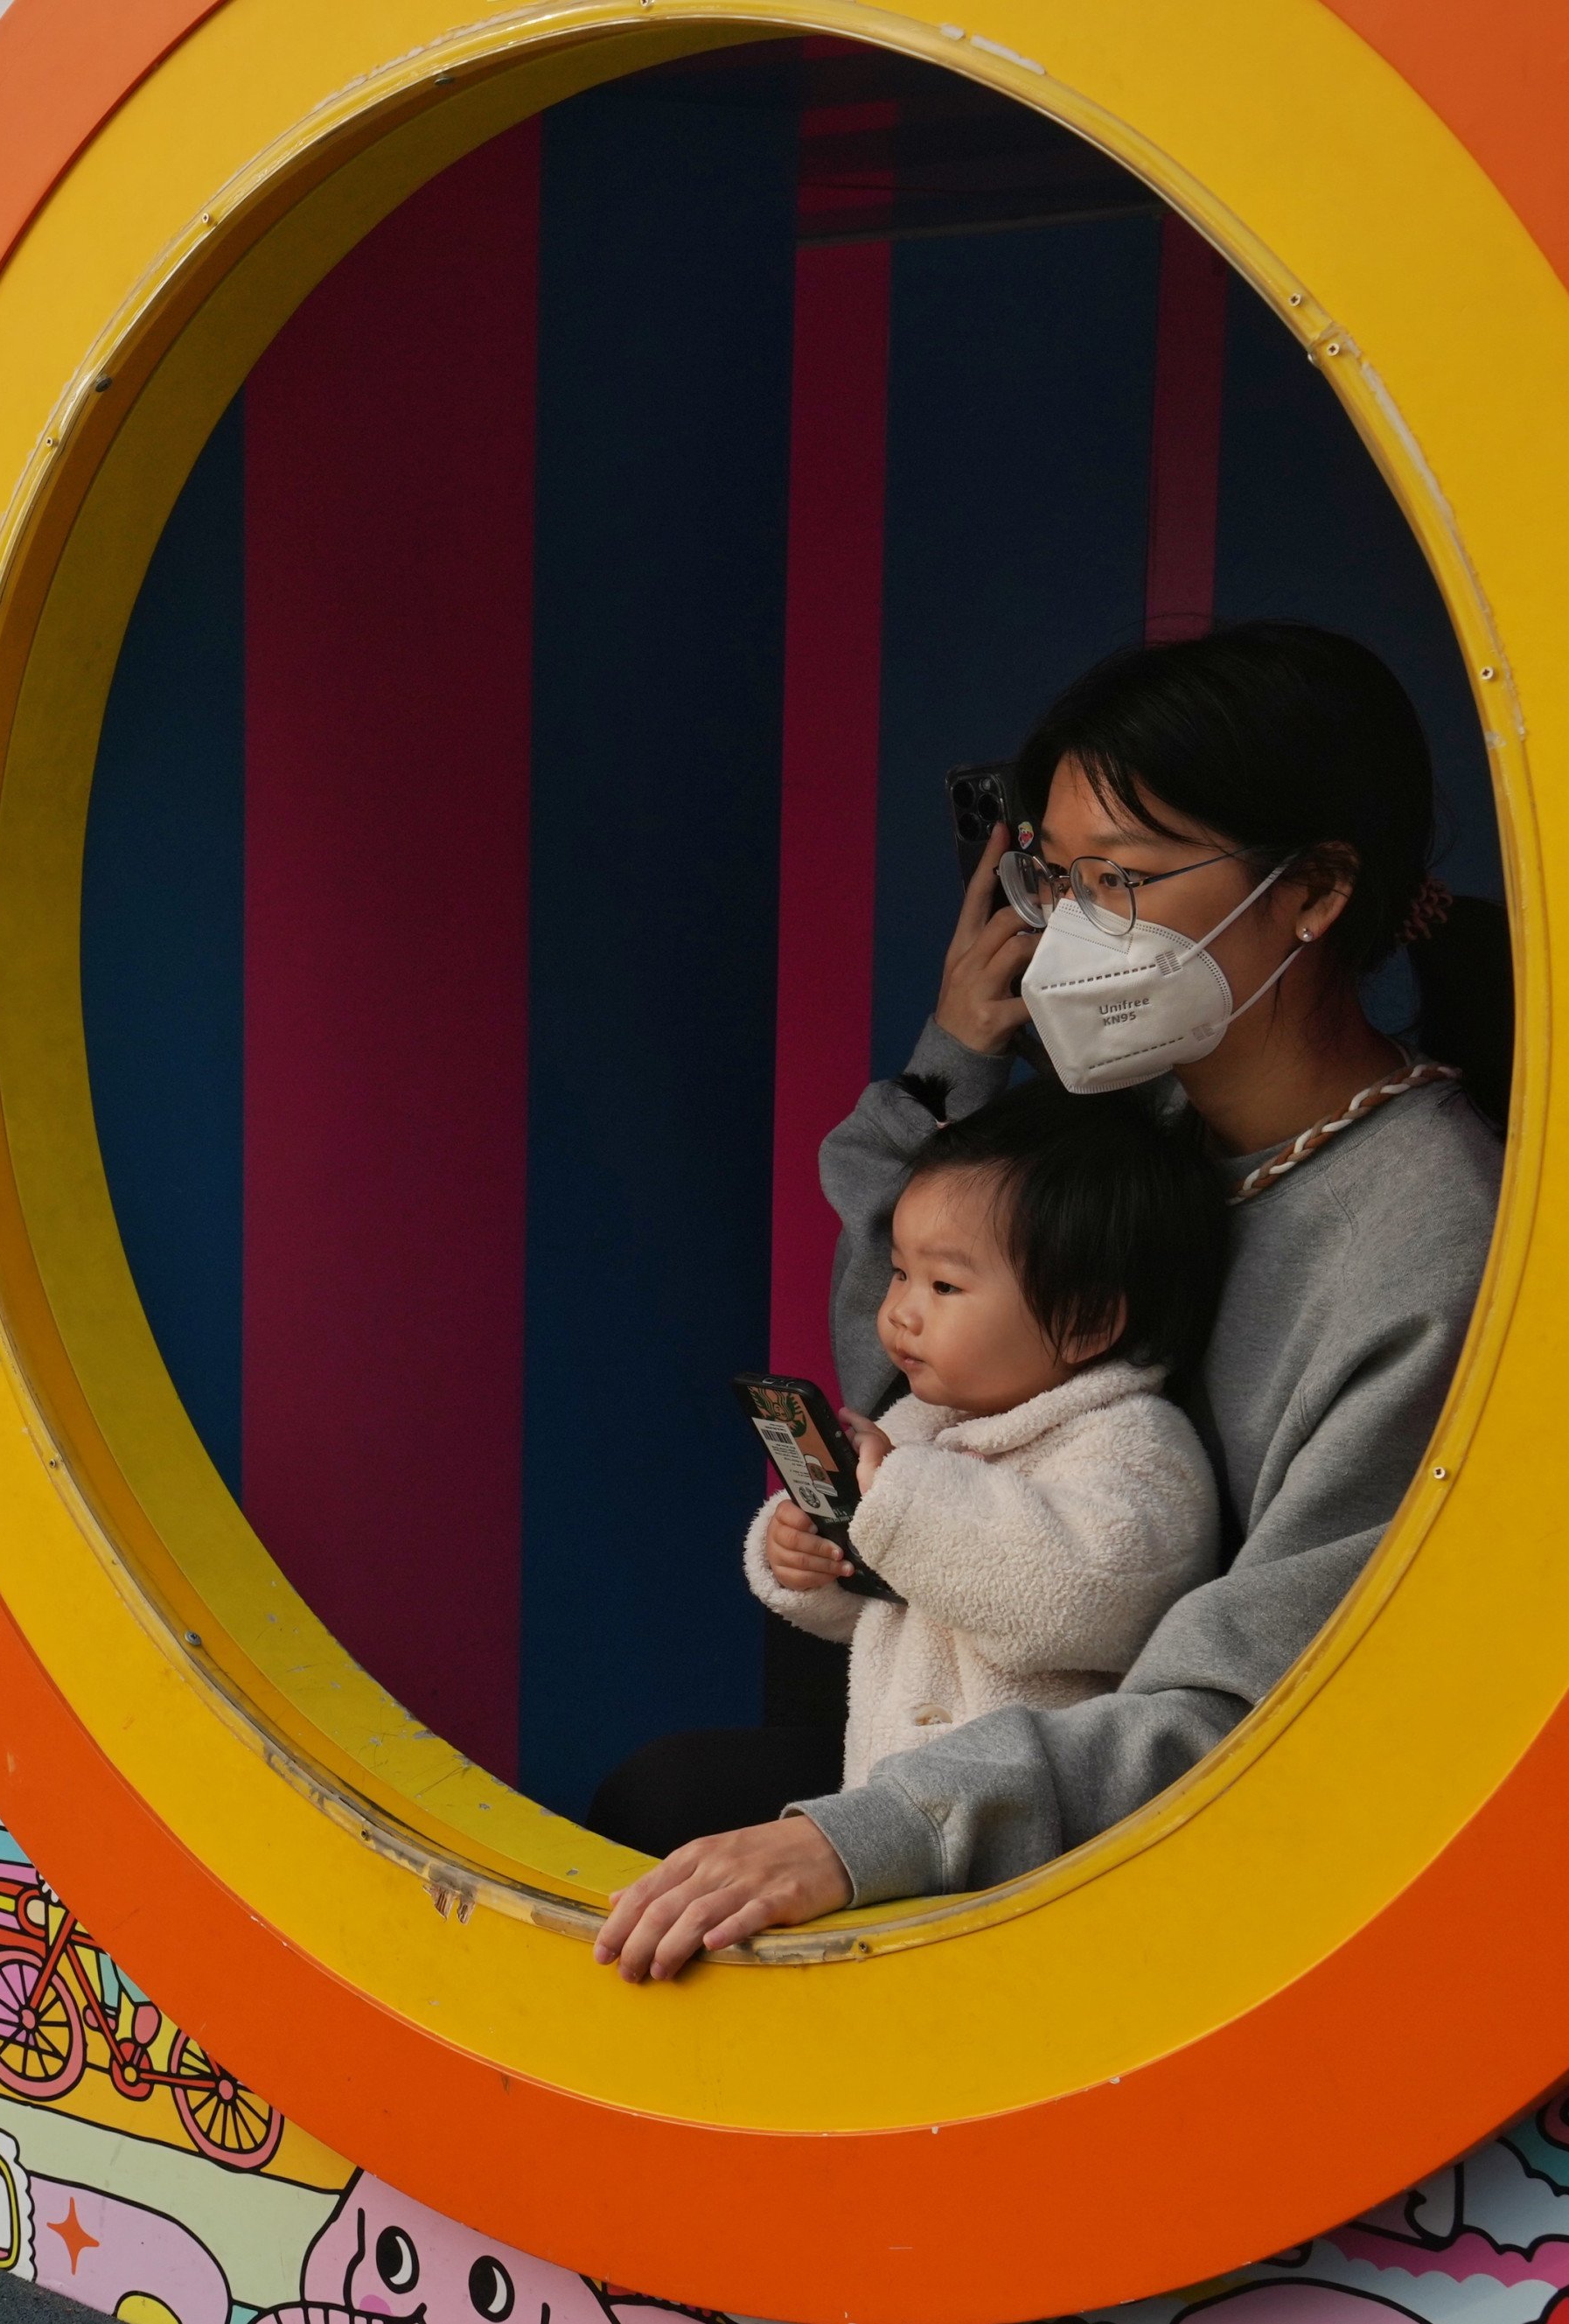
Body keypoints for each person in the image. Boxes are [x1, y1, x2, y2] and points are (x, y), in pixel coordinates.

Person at [598, 621, 1507, 1980]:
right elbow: (916, 1378)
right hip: (981, 1734)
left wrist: (868, 1836)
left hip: (1192, 1873)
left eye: (1124, 882)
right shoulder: (1136, 1107)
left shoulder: (1424, 1245)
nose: (1071, 935)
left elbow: (1240, 1716)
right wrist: (956, 1058)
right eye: (1054, 879)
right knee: (663, 1800)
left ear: (1314, 890)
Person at [738, 1081, 1227, 1809]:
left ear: (1086, 1321)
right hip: (896, 1808)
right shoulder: (918, 1424)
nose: (900, 1309)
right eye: (900, 1271)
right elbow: (895, 1598)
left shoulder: (1136, 1444)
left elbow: (1075, 1594)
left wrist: (895, 1501)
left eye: (943, 1283)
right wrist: (811, 1560)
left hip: (1035, 1832)